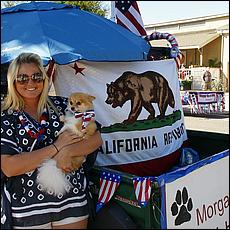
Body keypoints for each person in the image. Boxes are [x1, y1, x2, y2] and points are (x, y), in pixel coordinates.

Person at [1, 53, 103, 229]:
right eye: (22, 78)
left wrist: (68, 152)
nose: (31, 83)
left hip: (72, 200)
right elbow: (10, 167)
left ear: (44, 78)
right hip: (28, 209)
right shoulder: (6, 117)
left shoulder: (65, 105)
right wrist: (58, 146)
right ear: (13, 82)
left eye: (37, 77)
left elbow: (95, 138)